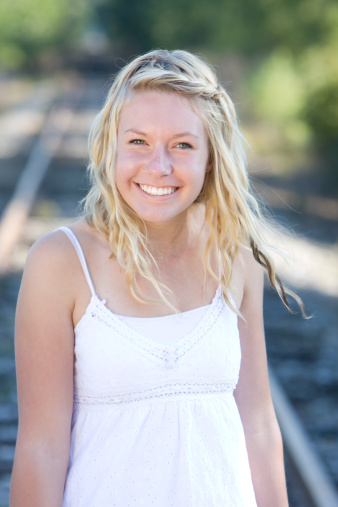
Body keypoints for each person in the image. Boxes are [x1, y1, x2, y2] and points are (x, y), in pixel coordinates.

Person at [10, 49, 301, 506]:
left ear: (210, 158)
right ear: (112, 147)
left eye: (182, 145)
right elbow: (42, 448)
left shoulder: (234, 259)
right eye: (138, 142)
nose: (158, 166)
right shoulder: (61, 262)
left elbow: (259, 424)